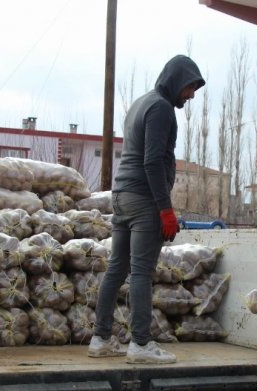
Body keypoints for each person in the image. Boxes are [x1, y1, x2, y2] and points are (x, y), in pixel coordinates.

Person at [88, 55, 205, 364]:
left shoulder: (142, 102)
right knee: (141, 272)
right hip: (143, 199)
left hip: (122, 195)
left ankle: (100, 339)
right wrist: (165, 209)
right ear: (177, 80)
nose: (191, 94)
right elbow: (152, 161)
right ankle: (140, 343)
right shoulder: (162, 109)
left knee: (117, 268)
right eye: (190, 87)